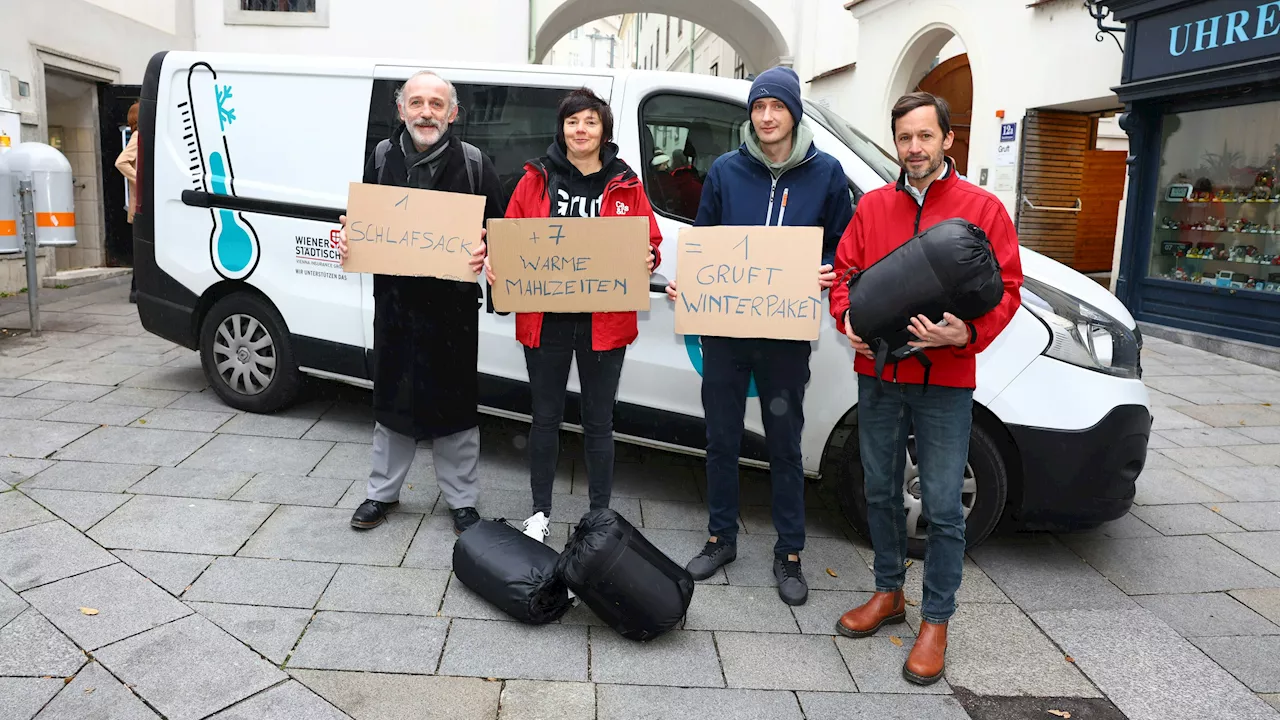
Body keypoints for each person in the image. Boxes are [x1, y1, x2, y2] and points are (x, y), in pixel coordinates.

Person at [827, 91, 1023, 685]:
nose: (914, 148)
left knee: (941, 505)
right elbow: (844, 276)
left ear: (947, 141)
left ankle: (936, 620)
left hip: (945, 383)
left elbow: (1009, 288)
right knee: (881, 492)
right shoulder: (873, 208)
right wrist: (847, 323)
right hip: (879, 379)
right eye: (905, 138)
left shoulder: (982, 208)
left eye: (924, 137)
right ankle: (889, 594)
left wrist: (968, 330)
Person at [664, 66, 853, 606]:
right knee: (721, 438)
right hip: (726, 330)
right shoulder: (726, 170)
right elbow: (704, 240)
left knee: (786, 444)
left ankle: (788, 553)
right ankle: (721, 538)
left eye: (777, 107)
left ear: (794, 112)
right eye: (758, 107)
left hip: (785, 333)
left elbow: (845, 245)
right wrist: (692, 285)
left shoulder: (827, 173)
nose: (767, 117)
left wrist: (829, 268)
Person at [484, 88, 662, 543]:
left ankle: (599, 517)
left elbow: (651, 242)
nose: (580, 130)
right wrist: (496, 261)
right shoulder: (534, 180)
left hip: (605, 322)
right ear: (561, 128)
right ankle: (540, 513)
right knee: (544, 418)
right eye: (572, 121)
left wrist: (647, 257)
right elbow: (511, 239)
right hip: (546, 320)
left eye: (589, 121)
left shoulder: (627, 183)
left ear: (604, 130)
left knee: (599, 422)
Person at [336, 70, 505, 535]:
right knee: (391, 399)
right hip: (395, 306)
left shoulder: (474, 164)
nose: (426, 112)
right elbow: (364, 225)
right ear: (401, 110)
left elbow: (502, 233)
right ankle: (381, 494)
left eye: (436, 104)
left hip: (451, 313)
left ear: (453, 113)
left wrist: (488, 251)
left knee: (455, 406)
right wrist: (350, 239)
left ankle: (463, 501)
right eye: (416, 103)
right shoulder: (382, 156)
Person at [114, 102, 140, 303]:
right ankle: (136, 290)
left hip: (142, 204)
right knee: (141, 249)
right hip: (140, 204)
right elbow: (121, 162)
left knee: (141, 248)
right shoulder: (138, 136)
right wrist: (139, 178)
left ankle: (137, 290)